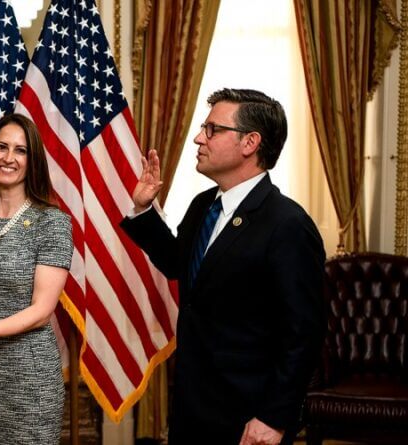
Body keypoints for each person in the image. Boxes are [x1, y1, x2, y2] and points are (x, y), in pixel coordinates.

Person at [120, 88, 325, 445]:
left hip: (249, 416)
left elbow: (303, 335)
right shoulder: (204, 205)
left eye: (213, 129)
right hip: (193, 406)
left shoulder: (288, 224)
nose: (199, 137)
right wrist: (143, 210)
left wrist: (274, 417)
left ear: (250, 143)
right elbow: (179, 266)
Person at [0, 113, 73, 444]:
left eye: (20, 151)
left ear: (32, 161)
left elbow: (41, 311)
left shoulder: (53, 223)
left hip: (30, 379)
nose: (8, 158)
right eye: (2, 147)